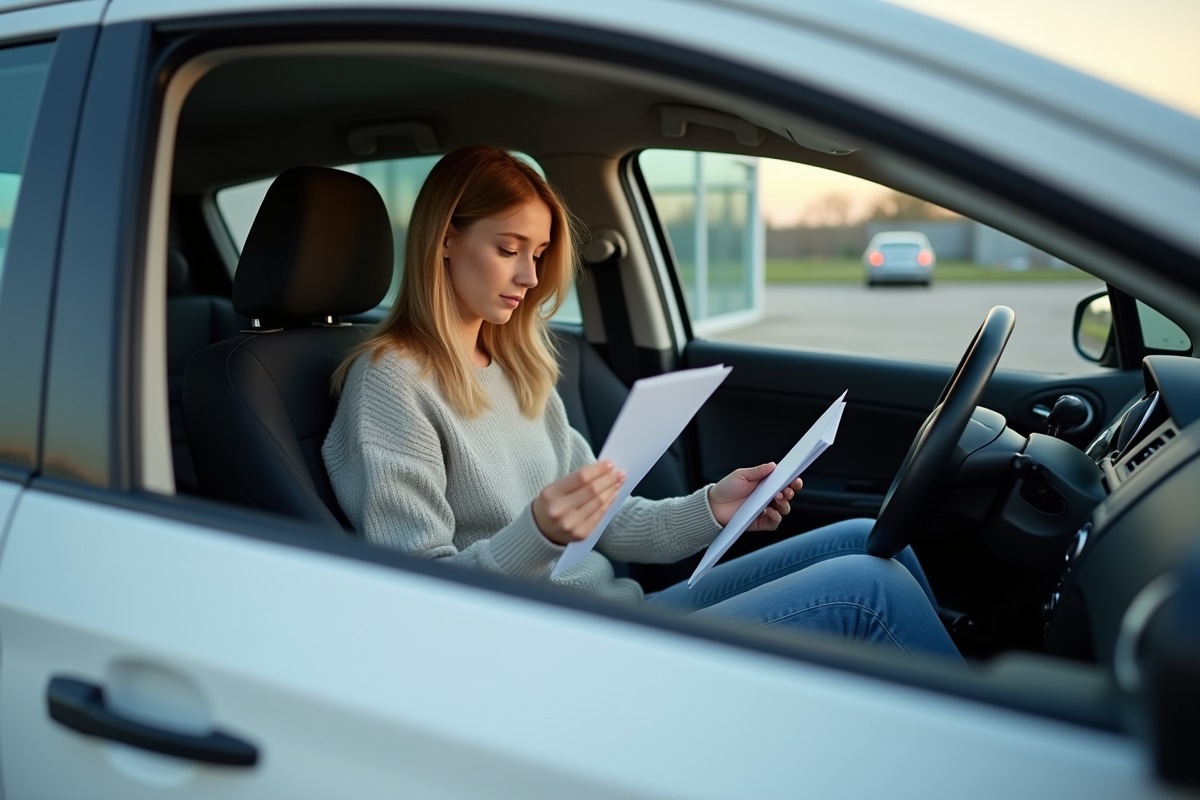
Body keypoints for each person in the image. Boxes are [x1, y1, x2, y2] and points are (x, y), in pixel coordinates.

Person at [323, 146, 961, 662]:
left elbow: (606, 520)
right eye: (508, 248)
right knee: (867, 593)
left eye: (539, 255)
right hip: (557, 649)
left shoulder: (518, 367)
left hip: (619, 611)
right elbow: (416, 598)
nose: (528, 277)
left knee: (863, 541)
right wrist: (537, 536)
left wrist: (713, 507)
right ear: (443, 241)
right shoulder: (390, 384)